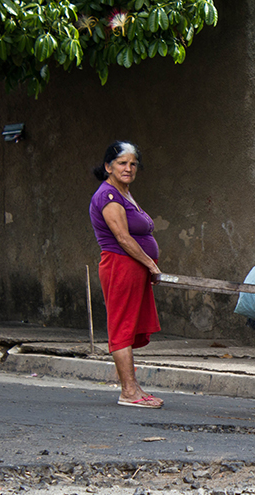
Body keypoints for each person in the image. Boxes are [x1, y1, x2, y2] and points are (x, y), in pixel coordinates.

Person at [89, 141, 164, 408]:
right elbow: (122, 237)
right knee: (121, 326)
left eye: (133, 164)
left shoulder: (124, 193)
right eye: (122, 163)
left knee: (128, 325)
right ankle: (128, 392)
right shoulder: (108, 195)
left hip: (132, 268)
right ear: (108, 166)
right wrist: (150, 264)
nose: (128, 168)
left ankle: (134, 388)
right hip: (121, 266)